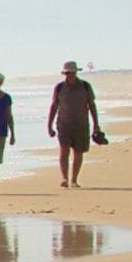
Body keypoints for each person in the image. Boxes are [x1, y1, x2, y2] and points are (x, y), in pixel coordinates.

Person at [48, 60, 104, 188]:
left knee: (79, 153)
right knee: (64, 151)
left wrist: (96, 124)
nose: (69, 75)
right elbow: (54, 106)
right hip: (63, 125)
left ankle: (74, 180)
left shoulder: (85, 86)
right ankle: (64, 178)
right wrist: (49, 125)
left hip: (81, 125)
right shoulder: (59, 87)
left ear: (76, 72)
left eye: (72, 73)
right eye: (67, 73)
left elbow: (92, 105)